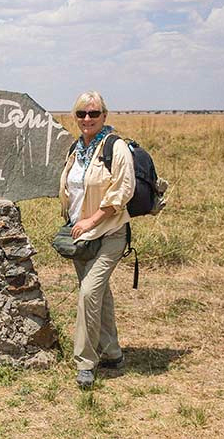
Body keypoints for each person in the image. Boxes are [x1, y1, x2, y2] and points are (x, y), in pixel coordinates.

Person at [59, 91, 135, 389]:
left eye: (93, 113)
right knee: (99, 295)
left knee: (89, 293)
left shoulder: (115, 147)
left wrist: (93, 219)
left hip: (110, 232)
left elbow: (123, 189)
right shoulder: (76, 150)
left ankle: (85, 363)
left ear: (105, 115)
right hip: (81, 235)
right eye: (81, 114)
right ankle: (113, 353)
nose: (87, 119)